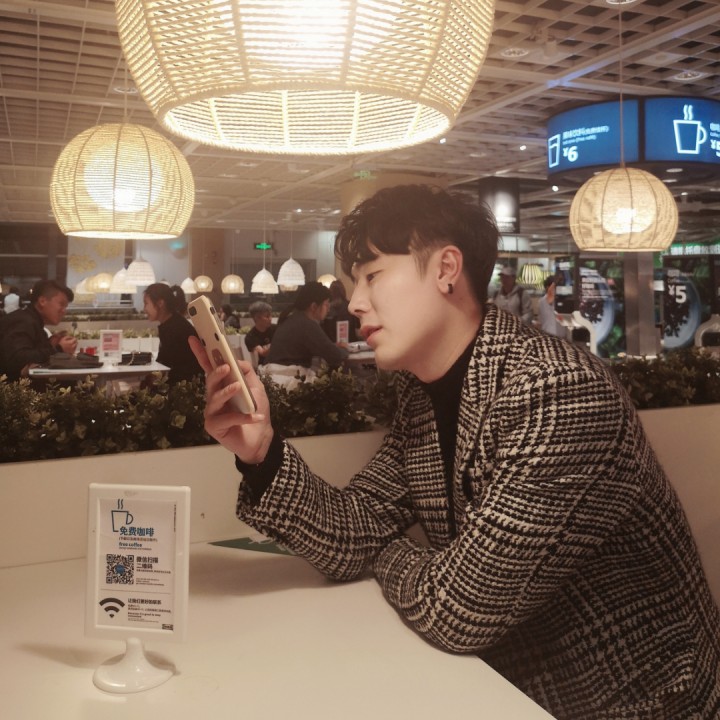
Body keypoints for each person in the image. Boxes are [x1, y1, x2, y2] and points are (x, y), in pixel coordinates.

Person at [190, 184, 720, 720]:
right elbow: (353, 531)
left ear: (446, 268)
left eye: (373, 275)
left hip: (637, 703)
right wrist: (262, 454)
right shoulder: (422, 389)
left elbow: (459, 610)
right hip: (501, 687)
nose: (354, 301)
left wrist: (384, 552)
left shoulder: (560, 390)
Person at [0, 279, 77, 380]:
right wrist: (58, 349)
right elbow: (18, 359)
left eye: (65, 306)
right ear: (42, 301)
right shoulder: (23, 321)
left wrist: (50, 344)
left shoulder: (33, 322)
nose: (64, 311)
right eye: (61, 304)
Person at [264, 281, 349, 369]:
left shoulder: (292, 318)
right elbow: (335, 356)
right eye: (326, 304)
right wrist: (344, 348)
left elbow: (324, 347)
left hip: (272, 372)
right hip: (287, 375)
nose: (328, 309)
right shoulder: (307, 325)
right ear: (314, 306)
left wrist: (333, 347)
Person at [143, 283, 202, 385]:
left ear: (160, 303)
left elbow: (169, 365)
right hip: (181, 383)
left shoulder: (176, 328)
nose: (144, 309)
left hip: (185, 387)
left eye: (146, 303)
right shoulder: (172, 323)